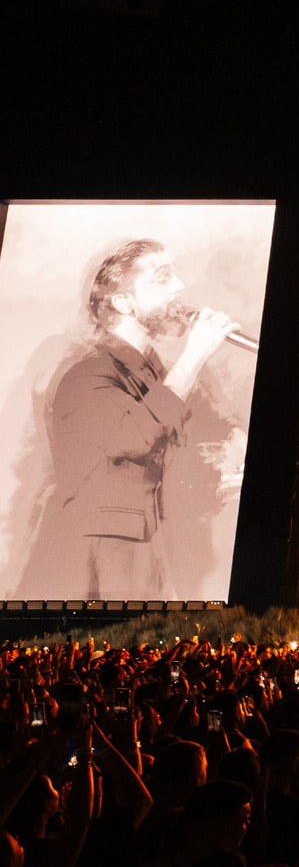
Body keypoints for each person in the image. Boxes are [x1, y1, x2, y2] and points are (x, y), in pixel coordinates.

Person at [19, 239, 240, 600]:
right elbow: (136, 437)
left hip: (146, 547)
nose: (180, 287)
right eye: (162, 278)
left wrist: (232, 457)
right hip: (96, 556)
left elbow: (181, 448)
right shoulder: (87, 372)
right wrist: (195, 355)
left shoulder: (155, 374)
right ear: (124, 302)